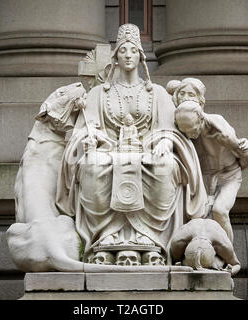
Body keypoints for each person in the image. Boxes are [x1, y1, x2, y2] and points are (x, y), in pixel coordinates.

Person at [54, 25, 208, 264]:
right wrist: (91, 138)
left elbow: (171, 130)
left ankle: (150, 238)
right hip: (107, 152)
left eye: (133, 50)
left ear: (141, 56)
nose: (128, 55)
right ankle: (105, 236)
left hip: (149, 153)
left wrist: (166, 142)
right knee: (91, 166)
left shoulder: (157, 93)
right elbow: (84, 129)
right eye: (123, 50)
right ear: (116, 56)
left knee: (164, 166)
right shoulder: (98, 93)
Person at [173, 80, 248, 243]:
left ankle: (228, 258)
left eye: (191, 94)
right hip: (201, 178)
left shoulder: (219, 128)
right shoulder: (178, 126)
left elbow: (247, 159)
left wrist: (243, 147)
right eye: (181, 94)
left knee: (219, 211)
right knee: (196, 216)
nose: (190, 134)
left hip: (227, 176)